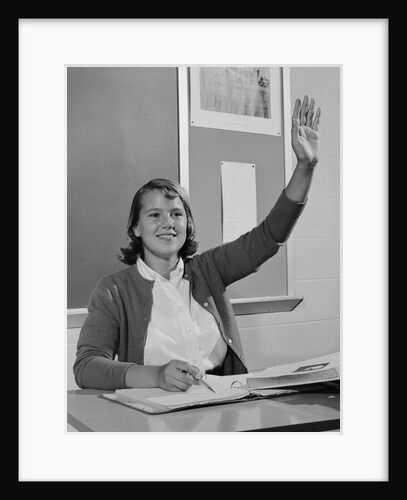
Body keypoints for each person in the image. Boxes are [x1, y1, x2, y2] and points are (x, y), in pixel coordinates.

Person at [73, 95, 321, 392]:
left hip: (223, 404)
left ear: (187, 223)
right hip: (157, 413)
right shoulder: (113, 291)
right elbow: (87, 366)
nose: (168, 223)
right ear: (136, 228)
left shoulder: (209, 269)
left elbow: (270, 236)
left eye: (177, 213)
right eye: (154, 215)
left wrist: (305, 167)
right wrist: (155, 375)